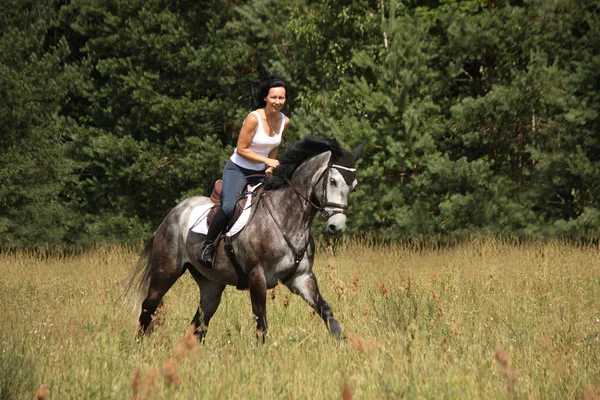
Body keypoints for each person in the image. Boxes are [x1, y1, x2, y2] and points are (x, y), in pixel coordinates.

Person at [197, 76, 290, 268]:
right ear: (265, 97)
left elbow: (274, 147)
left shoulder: (284, 121)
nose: (277, 102)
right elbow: (242, 149)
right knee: (230, 207)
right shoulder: (253, 118)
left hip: (260, 173)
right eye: (273, 97)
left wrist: (270, 167)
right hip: (237, 169)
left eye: (281, 98)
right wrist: (266, 160)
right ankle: (207, 247)